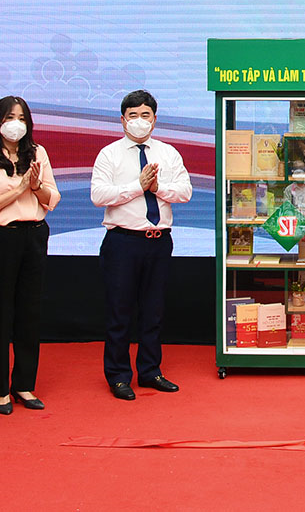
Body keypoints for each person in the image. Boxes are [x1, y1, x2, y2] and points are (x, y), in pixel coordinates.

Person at [90, 90, 191, 401]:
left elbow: (184, 191)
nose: (139, 121)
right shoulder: (109, 154)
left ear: (154, 119)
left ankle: (150, 371)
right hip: (123, 242)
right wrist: (138, 186)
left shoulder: (168, 153)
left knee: (153, 311)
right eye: (132, 116)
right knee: (119, 312)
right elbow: (98, 196)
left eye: (145, 115)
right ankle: (119, 376)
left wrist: (157, 187)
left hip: (158, 242)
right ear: (122, 120)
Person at [0, 96, 59, 415]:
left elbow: (53, 198)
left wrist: (34, 188)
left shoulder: (38, 153)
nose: (16, 123)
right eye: (10, 116)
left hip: (33, 234)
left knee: (29, 311)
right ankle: (0, 390)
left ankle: (24, 384)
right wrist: (18, 190)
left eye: (22, 117)